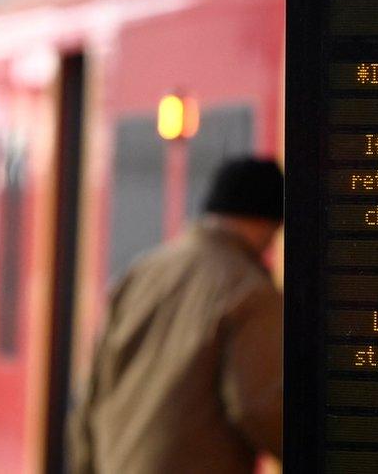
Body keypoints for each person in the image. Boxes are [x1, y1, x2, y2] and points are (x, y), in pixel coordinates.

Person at [69, 157, 284, 474]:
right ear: (268, 223)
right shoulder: (250, 290)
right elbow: (256, 406)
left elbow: (93, 390)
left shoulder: (142, 272)